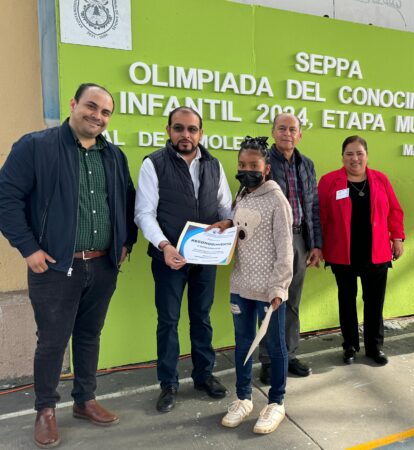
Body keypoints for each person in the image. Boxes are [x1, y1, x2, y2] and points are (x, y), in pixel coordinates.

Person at [0, 83, 137, 448]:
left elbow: (126, 200)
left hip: (103, 265)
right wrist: (28, 248)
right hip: (55, 269)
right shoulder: (36, 147)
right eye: (91, 107)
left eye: (106, 112)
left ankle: (84, 400)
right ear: (74, 104)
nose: (98, 116)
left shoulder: (113, 156)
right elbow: (6, 199)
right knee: (52, 341)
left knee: (90, 335)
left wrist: (126, 242)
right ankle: (45, 410)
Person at [134, 107, 233, 413]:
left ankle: (203, 376)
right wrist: (164, 245)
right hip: (169, 259)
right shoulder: (153, 164)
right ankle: (169, 384)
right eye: (179, 128)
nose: (185, 135)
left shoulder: (214, 165)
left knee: (201, 318)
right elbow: (144, 213)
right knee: (168, 321)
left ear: (200, 134)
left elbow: (225, 206)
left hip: (205, 258)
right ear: (168, 130)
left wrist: (228, 225)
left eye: (192, 129)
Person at [208, 136, 293, 434]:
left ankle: (276, 402)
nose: (246, 169)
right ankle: (243, 398)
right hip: (240, 285)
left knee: (274, 345)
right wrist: (227, 223)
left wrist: (279, 288)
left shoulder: (277, 200)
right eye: (242, 165)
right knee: (243, 342)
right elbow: (243, 226)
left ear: (266, 168)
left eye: (253, 165)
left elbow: (286, 250)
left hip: (269, 290)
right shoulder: (242, 194)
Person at [318, 135, 405, 365]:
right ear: (342, 157)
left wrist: (397, 238)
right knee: (346, 301)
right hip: (342, 253)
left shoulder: (380, 180)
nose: (354, 158)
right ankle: (349, 346)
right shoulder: (329, 181)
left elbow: (394, 211)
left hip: (375, 252)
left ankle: (374, 347)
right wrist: (318, 246)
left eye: (359, 153)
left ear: (367, 155)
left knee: (374, 302)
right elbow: (321, 218)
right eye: (349, 154)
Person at [260, 113, 322, 383]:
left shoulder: (307, 164)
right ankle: (267, 359)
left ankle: (289, 353)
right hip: (272, 241)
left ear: (300, 135)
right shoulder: (262, 162)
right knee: (270, 301)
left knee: (293, 300)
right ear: (273, 132)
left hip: (299, 239)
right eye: (281, 128)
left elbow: (314, 207)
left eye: (292, 129)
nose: (287, 133)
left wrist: (316, 244)